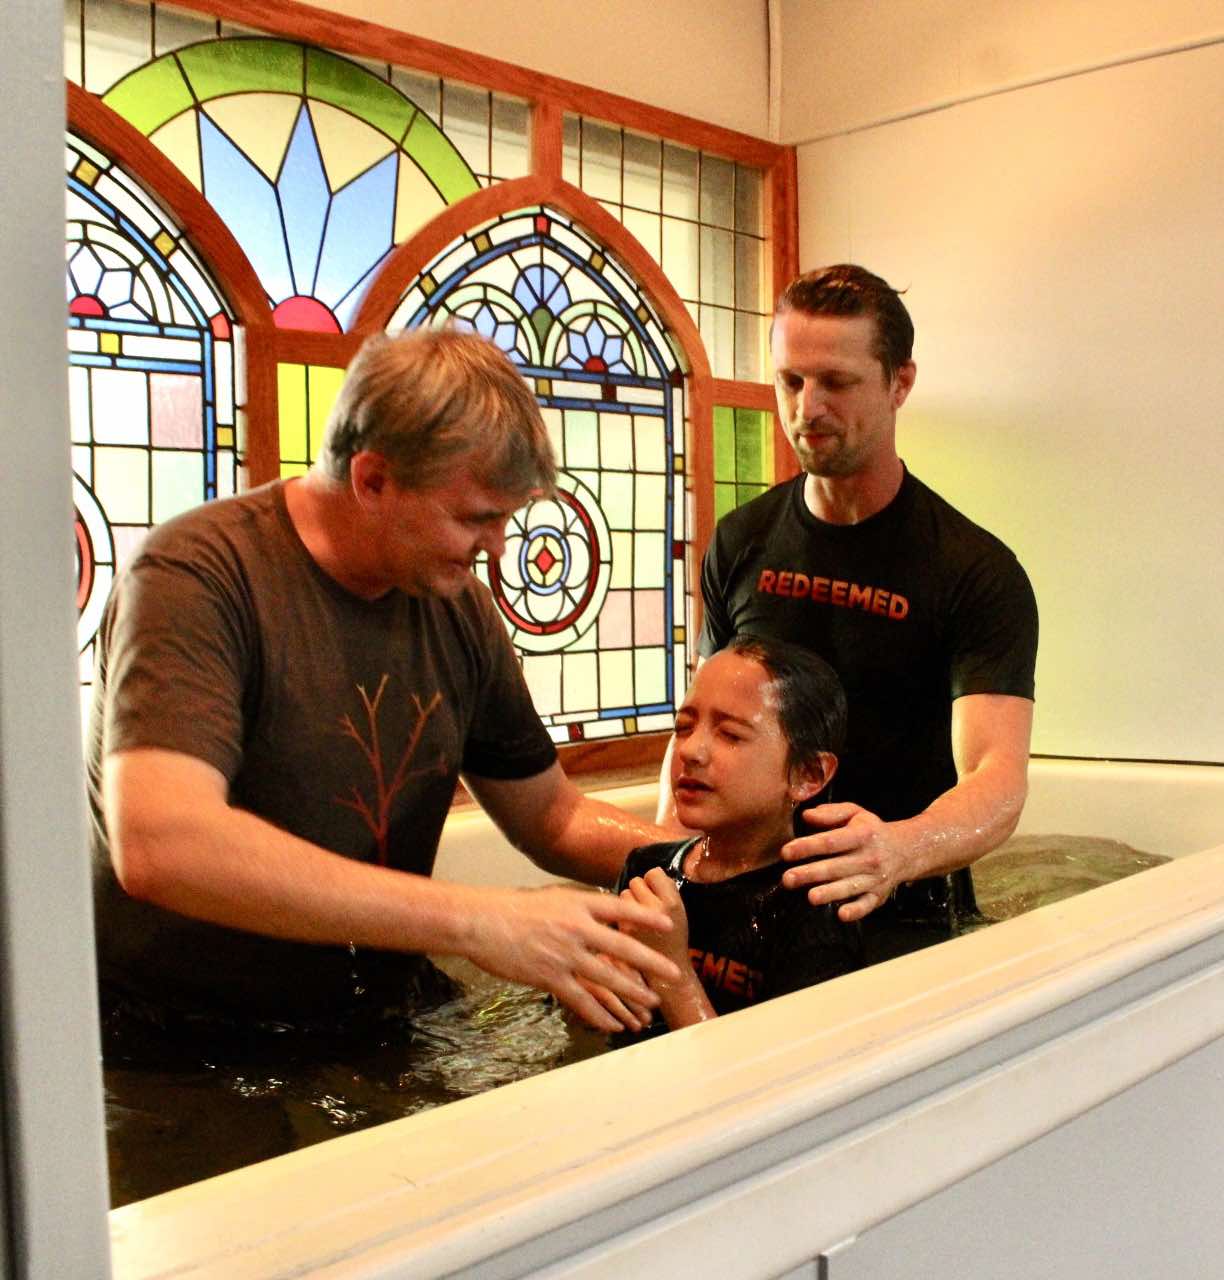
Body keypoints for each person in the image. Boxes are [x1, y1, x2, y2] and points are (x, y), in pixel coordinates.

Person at [89, 326, 682, 1046]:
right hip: (177, 1044)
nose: (499, 548)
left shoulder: (456, 607)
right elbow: (163, 845)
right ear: (372, 480)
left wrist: (727, 865)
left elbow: (554, 818)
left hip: (369, 1019)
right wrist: (476, 919)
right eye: (476, 518)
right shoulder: (196, 577)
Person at [684, 264, 1039, 958]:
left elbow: (997, 779)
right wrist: (672, 867)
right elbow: (702, 727)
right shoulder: (739, 541)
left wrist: (898, 850)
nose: (807, 407)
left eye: (837, 382)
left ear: (899, 383)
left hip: (906, 910)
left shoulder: (974, 571)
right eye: (791, 380)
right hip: (754, 905)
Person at [617, 635, 863, 1034]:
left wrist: (670, 974)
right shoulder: (646, 871)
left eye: (730, 735)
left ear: (807, 775)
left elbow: (780, 1070)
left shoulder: (814, 912)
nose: (691, 751)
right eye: (683, 727)